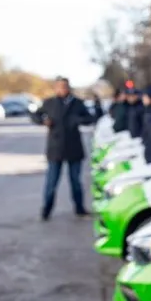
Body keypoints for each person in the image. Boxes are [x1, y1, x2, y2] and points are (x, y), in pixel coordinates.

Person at [36, 76, 95, 220]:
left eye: (65, 86)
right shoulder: (49, 103)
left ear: (69, 88)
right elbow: (35, 115)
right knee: (51, 181)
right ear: (55, 88)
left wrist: (78, 120)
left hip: (74, 147)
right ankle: (46, 209)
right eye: (59, 87)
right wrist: (44, 120)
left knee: (75, 181)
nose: (62, 89)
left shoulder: (77, 103)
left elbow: (89, 119)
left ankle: (79, 209)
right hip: (55, 148)